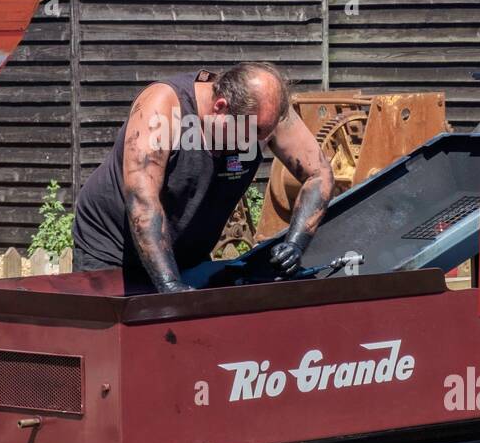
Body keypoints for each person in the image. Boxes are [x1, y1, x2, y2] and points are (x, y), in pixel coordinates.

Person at [72, 63, 334, 292]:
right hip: (112, 250)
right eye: (251, 133)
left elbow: (318, 174)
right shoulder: (163, 106)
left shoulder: (265, 114)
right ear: (220, 108)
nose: (259, 142)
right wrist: (169, 284)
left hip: (186, 252)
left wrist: (295, 244)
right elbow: (143, 201)